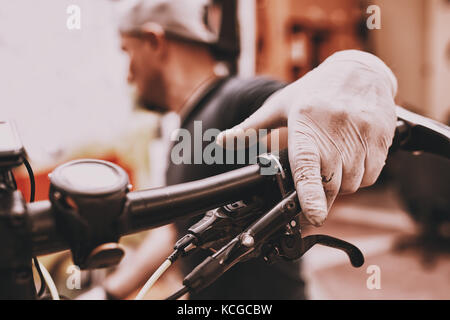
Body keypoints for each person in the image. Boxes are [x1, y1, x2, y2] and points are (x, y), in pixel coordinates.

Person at [78, 0, 397, 299]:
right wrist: (107, 293)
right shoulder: (186, 131)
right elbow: (178, 228)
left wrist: (357, 71)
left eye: (127, 52)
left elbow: (308, 120)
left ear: (153, 41)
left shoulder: (240, 101)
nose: (129, 76)